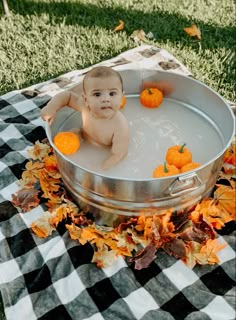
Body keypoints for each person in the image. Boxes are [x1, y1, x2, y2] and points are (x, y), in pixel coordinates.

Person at [41, 66, 129, 170]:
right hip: (83, 136)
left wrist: (101, 168)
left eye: (112, 93)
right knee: (71, 137)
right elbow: (67, 96)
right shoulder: (85, 107)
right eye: (97, 94)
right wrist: (52, 107)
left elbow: (118, 155)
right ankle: (54, 144)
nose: (106, 99)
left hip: (104, 149)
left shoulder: (120, 125)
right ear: (86, 99)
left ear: (121, 97)